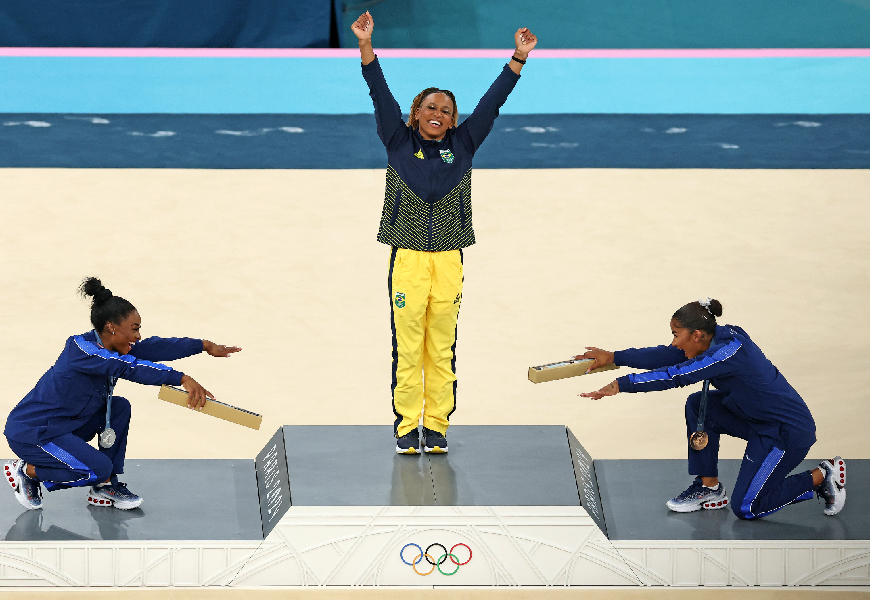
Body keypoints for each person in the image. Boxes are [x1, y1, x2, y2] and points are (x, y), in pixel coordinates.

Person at [351, 11, 537, 455]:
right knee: (408, 344)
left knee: (442, 347)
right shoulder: (397, 140)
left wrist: (518, 58)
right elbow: (380, 94)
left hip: (449, 258)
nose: (438, 114)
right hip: (409, 260)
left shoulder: (465, 145)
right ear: (415, 114)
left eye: (446, 111)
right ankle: (404, 426)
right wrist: (366, 47)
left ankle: (435, 426)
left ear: (454, 122)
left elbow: (492, 103)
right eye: (430, 107)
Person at [577, 298, 845, 519]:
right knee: (698, 405)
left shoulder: (728, 352)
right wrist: (614, 357)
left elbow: (675, 375)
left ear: (696, 335)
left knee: (746, 507)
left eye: (676, 335)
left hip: (785, 433)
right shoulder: (710, 340)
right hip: (754, 419)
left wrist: (622, 384)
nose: (674, 342)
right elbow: (667, 355)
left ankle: (822, 475)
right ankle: (709, 488)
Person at [3, 277, 241, 511]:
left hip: (65, 425)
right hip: (34, 432)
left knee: (119, 407)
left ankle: (104, 486)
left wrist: (203, 345)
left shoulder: (114, 345)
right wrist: (182, 379)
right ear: (111, 328)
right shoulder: (81, 350)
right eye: (135, 329)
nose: (138, 336)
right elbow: (129, 367)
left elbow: (155, 347)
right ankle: (27, 470)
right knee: (98, 468)